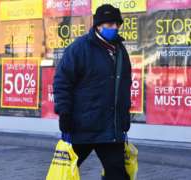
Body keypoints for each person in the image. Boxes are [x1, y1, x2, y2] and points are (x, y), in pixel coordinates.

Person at [53, 4, 131, 180]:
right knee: (64, 174)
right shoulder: (80, 48)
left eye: (117, 24)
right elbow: (62, 82)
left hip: (110, 129)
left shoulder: (120, 50)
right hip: (82, 126)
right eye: (109, 24)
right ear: (98, 25)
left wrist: (124, 117)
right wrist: (64, 113)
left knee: (117, 175)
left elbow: (124, 86)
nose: (114, 28)